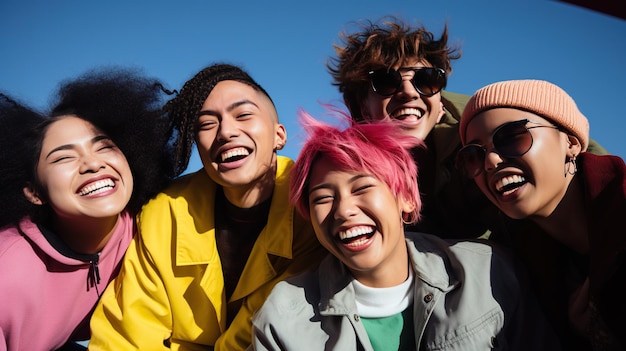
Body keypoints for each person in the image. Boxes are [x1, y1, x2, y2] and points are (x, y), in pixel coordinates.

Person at [251, 111, 560, 350]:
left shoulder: (487, 273)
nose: (343, 210)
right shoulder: (283, 317)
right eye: (323, 198)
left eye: (362, 188)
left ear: (407, 199)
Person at [89, 63, 326, 350]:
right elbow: (125, 336)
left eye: (244, 115)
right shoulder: (164, 212)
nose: (226, 131)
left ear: (279, 135)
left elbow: (276, 325)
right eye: (206, 124)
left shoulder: (313, 204)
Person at [326, 16, 608, 239]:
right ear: (363, 108)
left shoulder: (493, 134)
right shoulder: (348, 170)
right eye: (386, 82)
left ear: (439, 101)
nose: (409, 92)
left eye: (426, 80)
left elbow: (589, 166)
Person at [0, 68, 176, 351]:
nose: (92, 163)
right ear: (34, 192)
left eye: (104, 147)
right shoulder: (7, 271)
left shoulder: (153, 227)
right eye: (64, 157)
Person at [456, 79, 625, 350]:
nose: (491, 161)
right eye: (474, 155)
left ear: (570, 143)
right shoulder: (513, 270)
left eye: (511, 137)